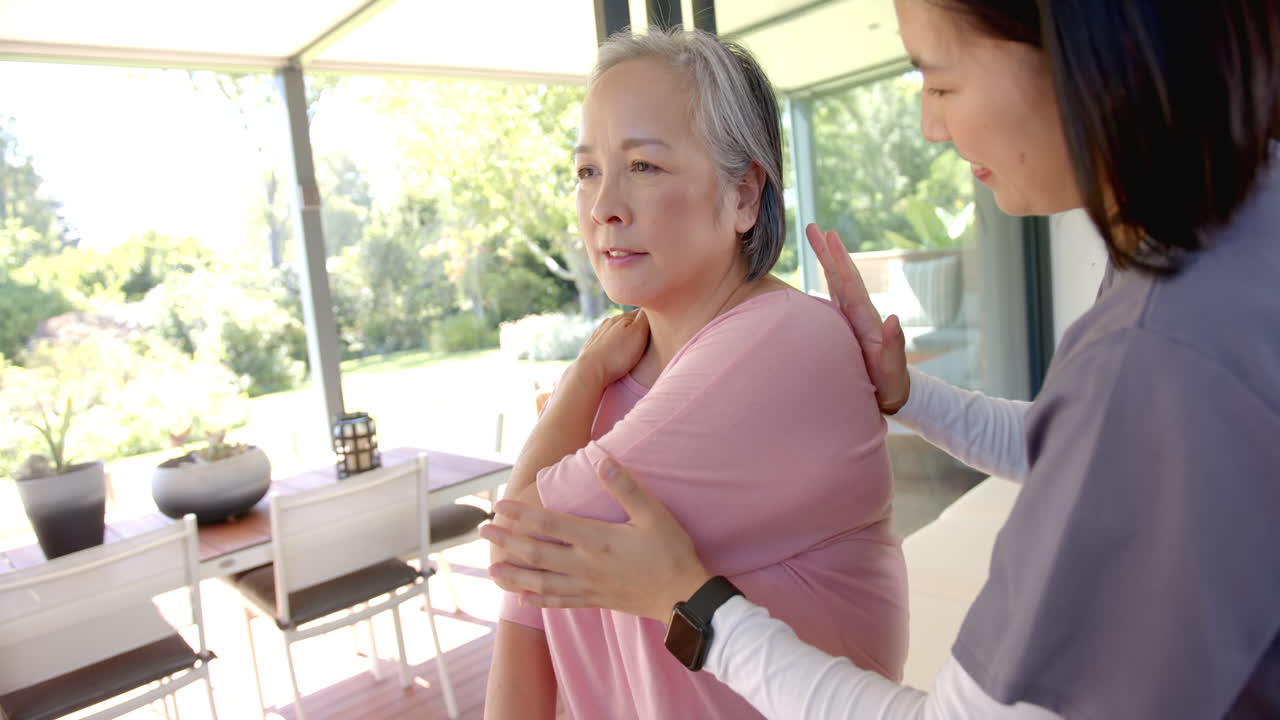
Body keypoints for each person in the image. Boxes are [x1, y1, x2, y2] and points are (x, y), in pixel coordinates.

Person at [482, 0, 1280, 717]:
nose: (930, 124)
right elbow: (1086, 450)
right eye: (585, 170)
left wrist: (694, 606)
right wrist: (906, 393)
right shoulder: (1202, 252)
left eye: (940, 79)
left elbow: (525, 540)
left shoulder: (1167, 336)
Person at [481, 29, 910, 720]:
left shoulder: (786, 345)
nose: (603, 205)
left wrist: (579, 381)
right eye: (586, 171)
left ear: (743, 195)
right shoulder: (617, 373)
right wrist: (586, 378)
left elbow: (521, 543)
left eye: (643, 166)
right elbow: (525, 606)